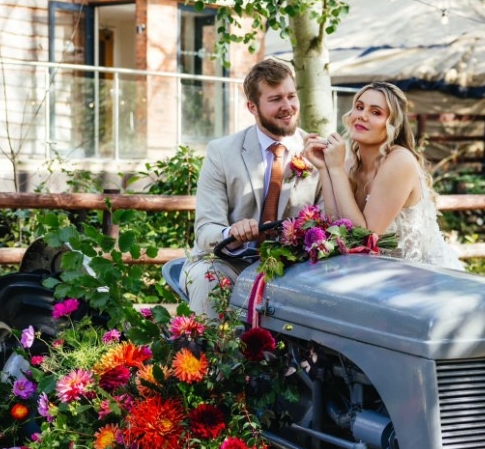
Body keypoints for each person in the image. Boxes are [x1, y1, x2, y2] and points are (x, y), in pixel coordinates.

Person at [181, 57, 322, 314]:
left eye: (291, 96)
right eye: (275, 99)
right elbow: (205, 229)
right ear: (252, 107)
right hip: (227, 263)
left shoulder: (318, 153)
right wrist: (230, 234)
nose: (287, 106)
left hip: (294, 268)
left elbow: (329, 222)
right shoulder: (221, 152)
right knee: (208, 279)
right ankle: (211, 354)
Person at [303, 81, 463, 269]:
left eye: (376, 112)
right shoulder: (350, 164)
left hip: (423, 276)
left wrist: (336, 169)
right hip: (379, 275)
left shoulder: (400, 161)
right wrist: (325, 169)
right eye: (359, 107)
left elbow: (364, 238)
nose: (362, 116)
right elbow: (336, 226)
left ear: (392, 124)